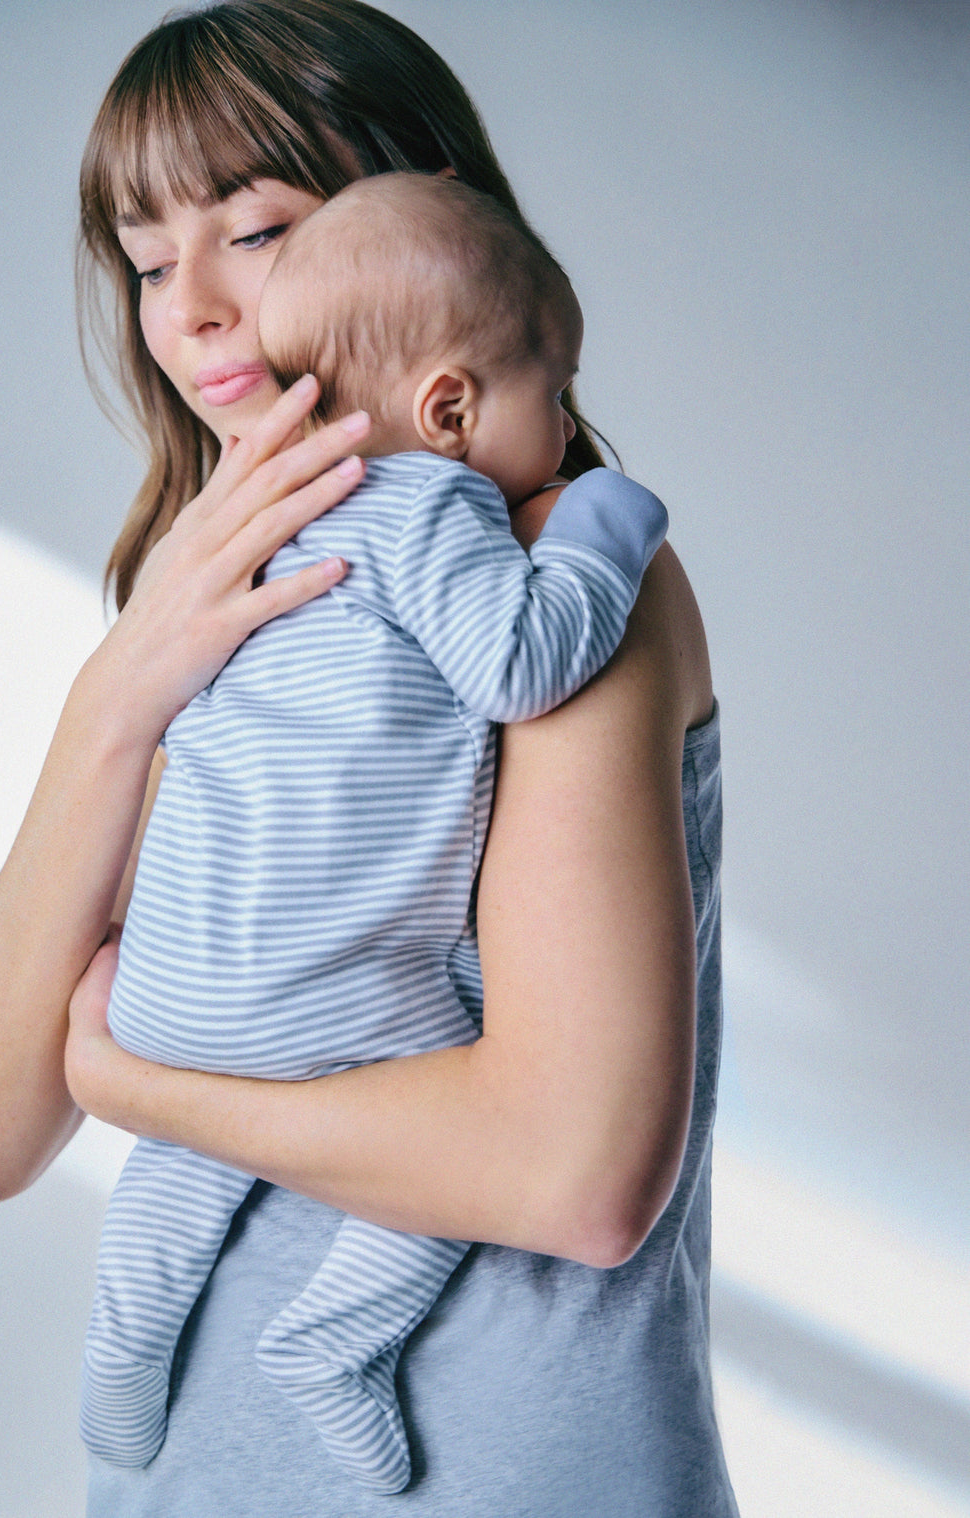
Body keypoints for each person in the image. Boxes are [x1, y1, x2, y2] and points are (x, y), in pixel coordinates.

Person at [0, 2, 737, 1513]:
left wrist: (139, 1086)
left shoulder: (559, 576)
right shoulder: (219, 609)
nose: (191, 308)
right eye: (147, 261)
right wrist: (116, 699)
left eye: (256, 230)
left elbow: (575, 1176)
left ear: (420, 217)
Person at [82, 169, 668, 1494]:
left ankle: (124, 1339)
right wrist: (606, 522)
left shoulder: (233, 550)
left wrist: (124, 1076)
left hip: (168, 989)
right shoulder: (433, 502)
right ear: (449, 408)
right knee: (448, 1088)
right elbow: (519, 663)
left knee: (182, 1159)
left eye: (251, 236)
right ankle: (337, 1340)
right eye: (553, 393)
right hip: (331, 995)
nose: (564, 420)